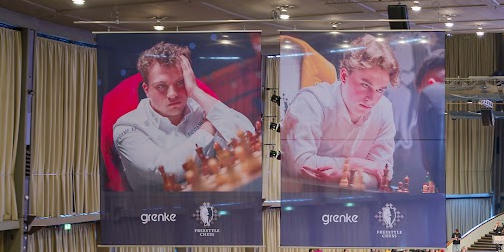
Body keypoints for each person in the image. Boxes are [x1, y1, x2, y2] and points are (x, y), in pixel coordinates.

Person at [111, 41, 257, 191]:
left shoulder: (199, 105)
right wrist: (208, 127)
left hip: (218, 194)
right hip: (164, 206)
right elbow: (167, 171)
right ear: (147, 90)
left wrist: (195, 91)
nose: (172, 94)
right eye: (161, 86)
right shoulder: (128, 127)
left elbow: (248, 139)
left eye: (180, 83)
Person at [283, 34, 400, 189]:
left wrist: (345, 176)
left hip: (353, 200)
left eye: (380, 90)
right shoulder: (311, 102)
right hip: (298, 197)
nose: (371, 99)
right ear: (344, 75)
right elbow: (300, 166)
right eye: (365, 85)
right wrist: (356, 164)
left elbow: (384, 174)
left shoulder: (384, 109)